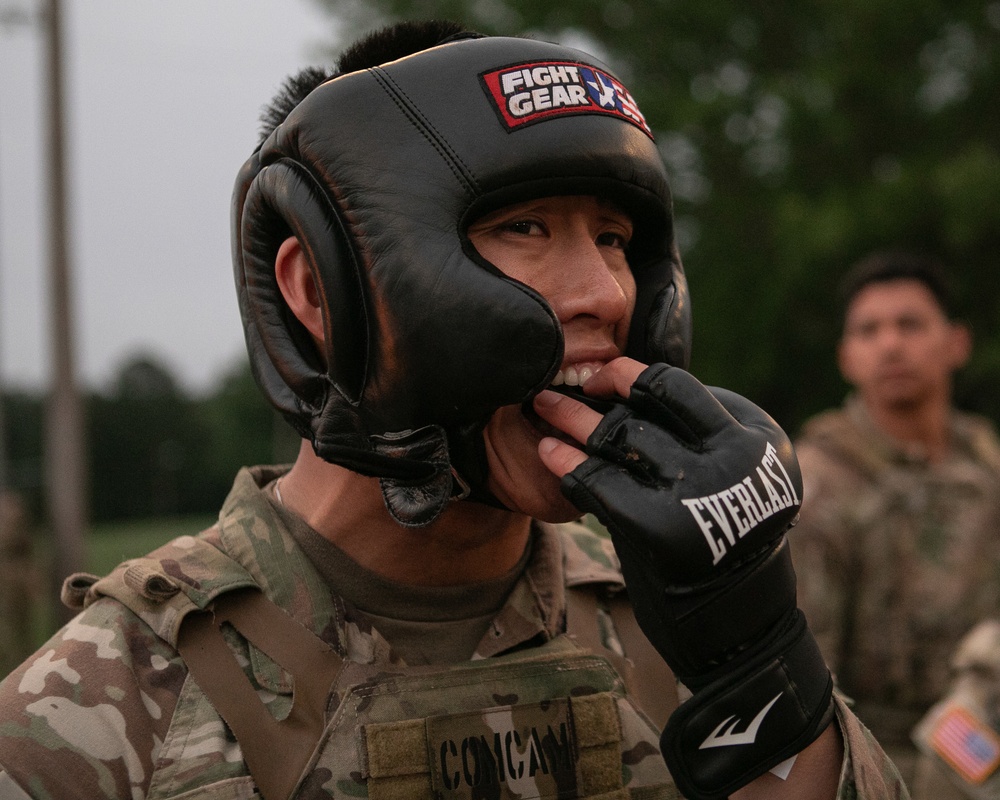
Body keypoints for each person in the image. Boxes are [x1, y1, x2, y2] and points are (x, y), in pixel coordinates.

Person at [0, 21, 906, 800]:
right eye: (526, 228)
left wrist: (755, 658)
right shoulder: (94, 707)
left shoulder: (666, 616)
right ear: (323, 291)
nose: (606, 293)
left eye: (616, 239)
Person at [789, 249, 1000, 794]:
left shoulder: (986, 463)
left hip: (981, 733)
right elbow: (805, 679)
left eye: (910, 324)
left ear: (957, 343)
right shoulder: (817, 485)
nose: (890, 344)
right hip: (878, 760)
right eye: (869, 331)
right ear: (846, 357)